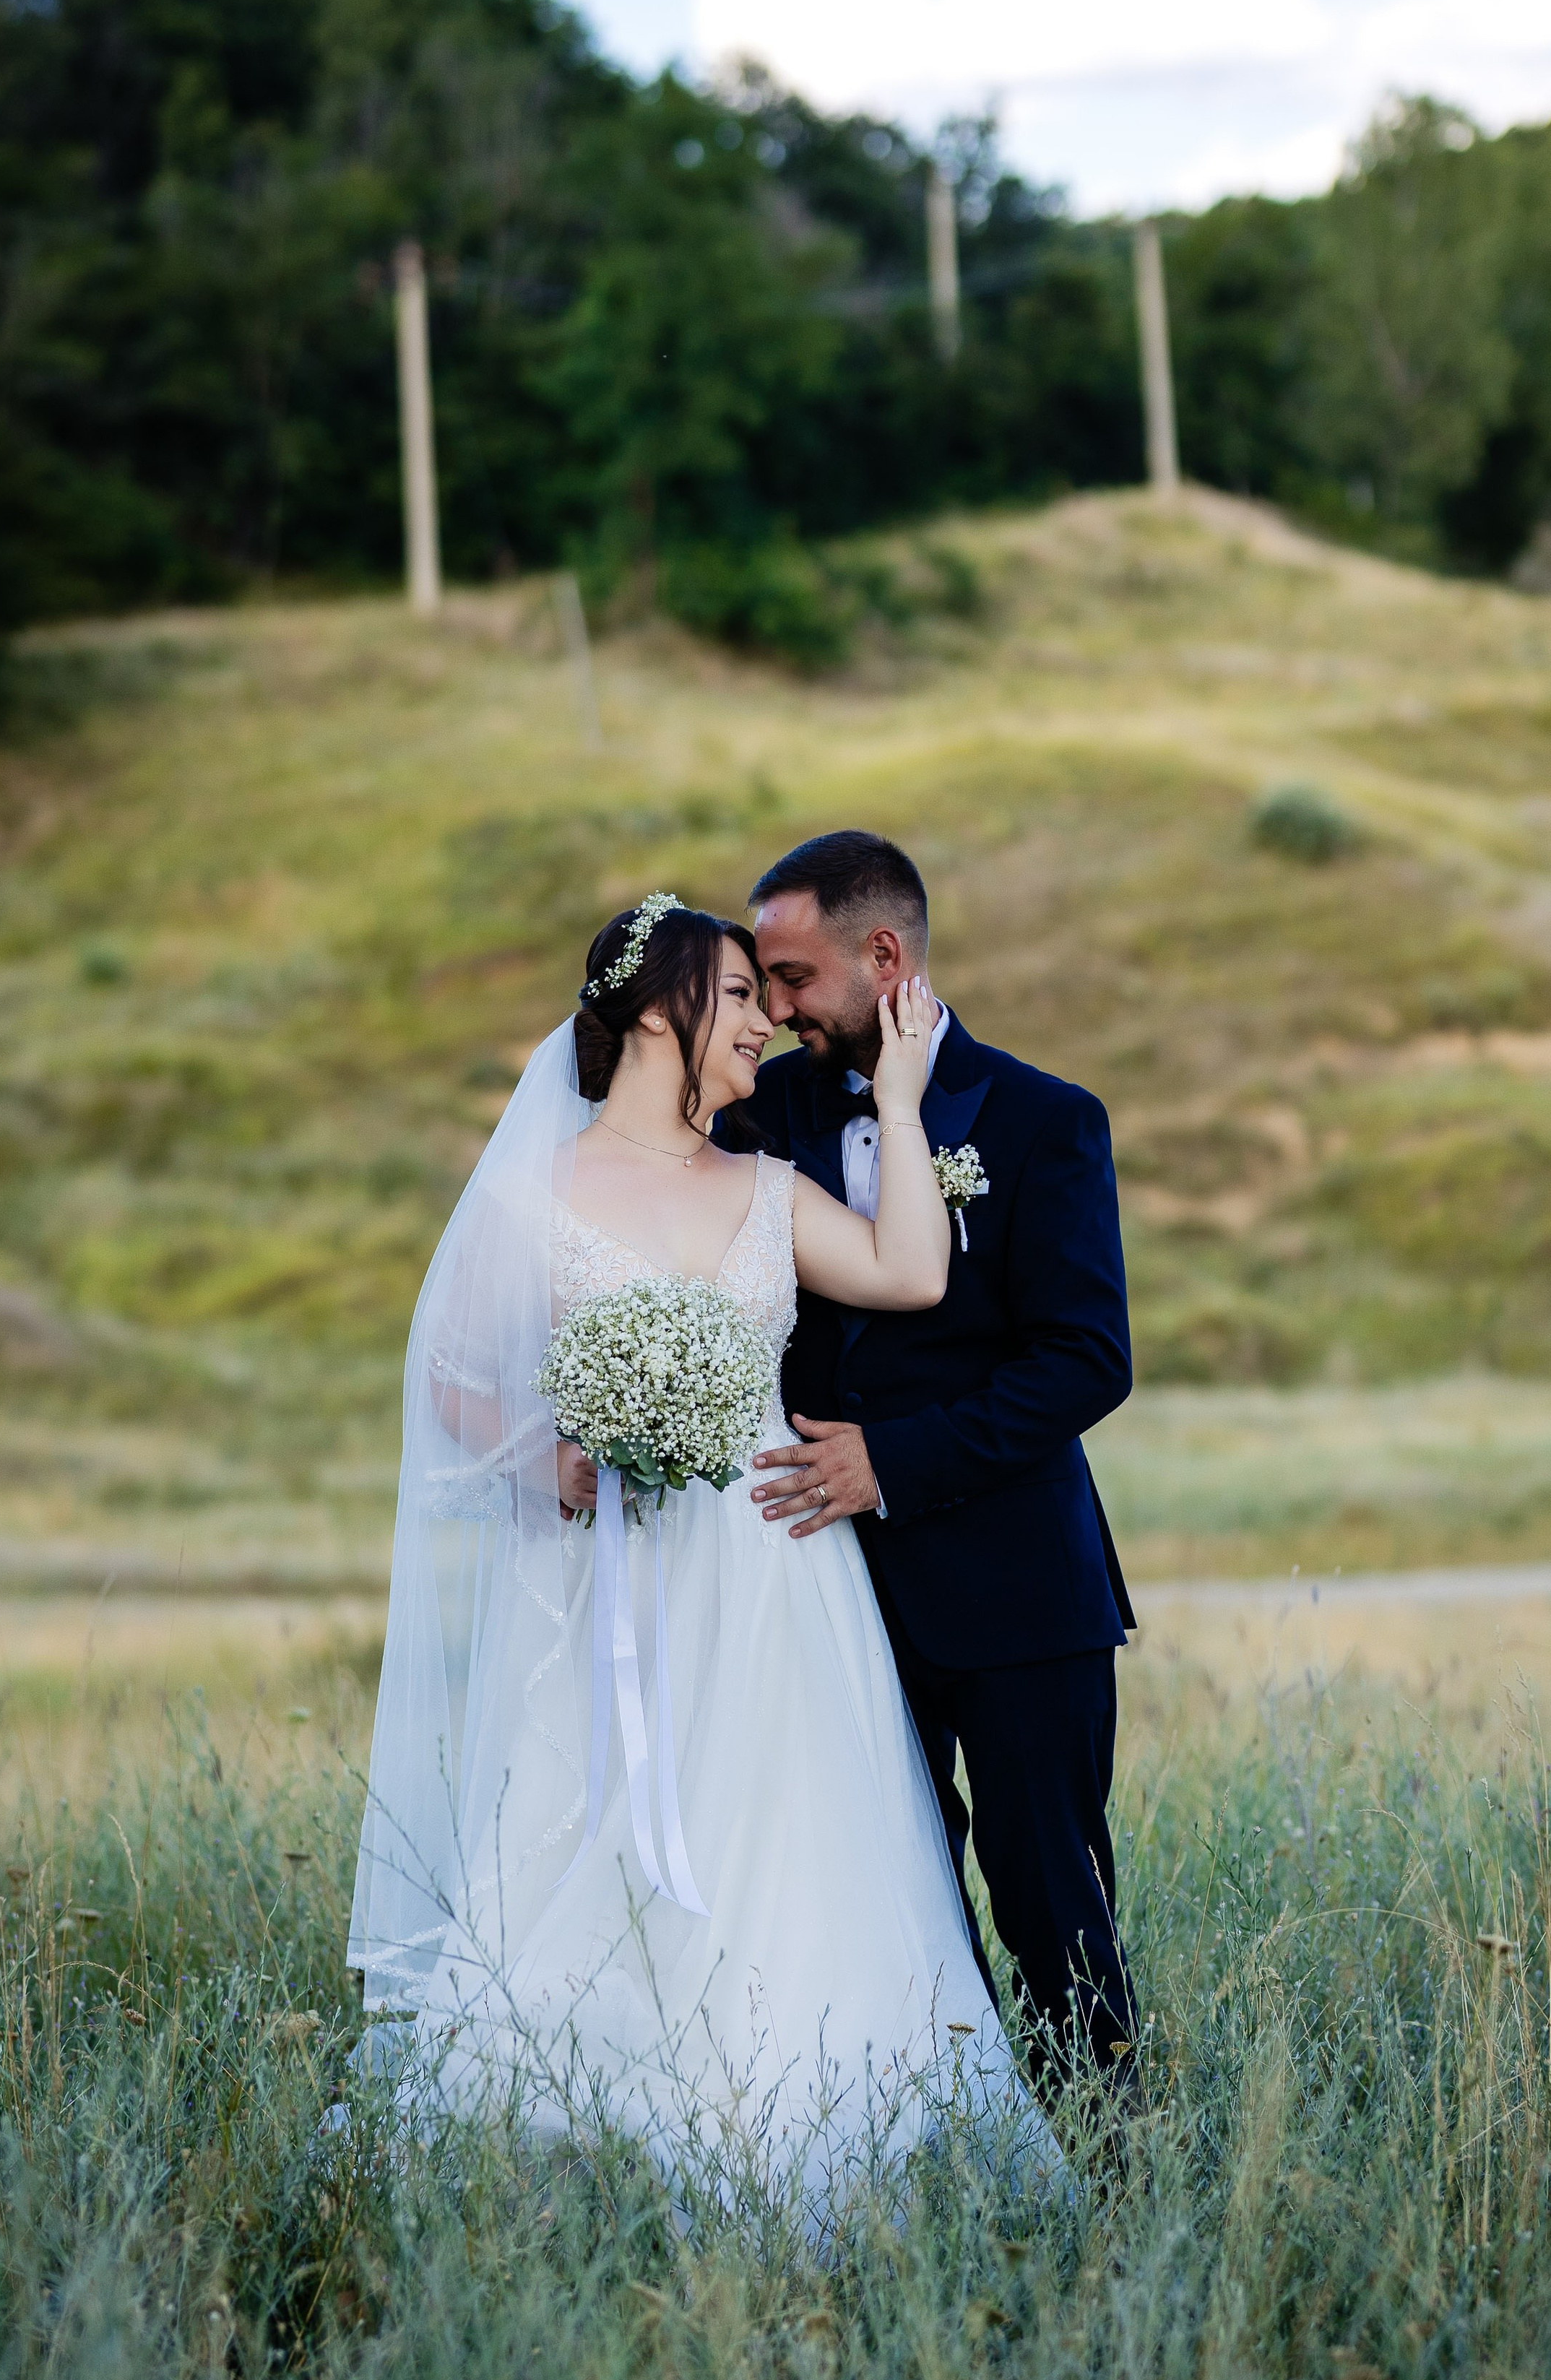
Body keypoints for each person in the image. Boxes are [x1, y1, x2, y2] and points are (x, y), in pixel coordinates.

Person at [345, 898, 1035, 2196]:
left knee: (790, 1838)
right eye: (735, 998)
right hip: (615, 1575)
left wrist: (896, 1098)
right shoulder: (539, 1190)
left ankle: (808, 2129)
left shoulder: (766, 1188)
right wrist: (551, 1457)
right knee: (595, 1843)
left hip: (777, 1578)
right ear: (659, 1007)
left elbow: (911, 1272)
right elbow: (448, 1369)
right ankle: (596, 2136)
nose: (767, 1025)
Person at [742, 831, 1139, 2093]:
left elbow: (1086, 1360)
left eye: (794, 978)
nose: (776, 1008)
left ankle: (1110, 2158)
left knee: (1053, 1913)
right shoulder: (762, 1114)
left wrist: (894, 1463)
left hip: (1020, 1595)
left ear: (883, 954)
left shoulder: (1041, 1121)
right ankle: (940, 2154)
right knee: (882, 1909)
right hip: (832, 1597)